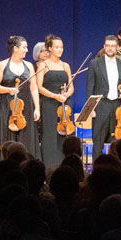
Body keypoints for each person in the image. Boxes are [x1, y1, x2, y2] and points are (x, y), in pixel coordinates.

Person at [0, 35, 39, 152]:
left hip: (25, 106)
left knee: (26, 138)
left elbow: (34, 88)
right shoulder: (2, 65)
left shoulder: (29, 65)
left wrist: (37, 108)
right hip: (7, 106)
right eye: (24, 47)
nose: (27, 50)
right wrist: (8, 90)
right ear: (15, 48)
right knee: (7, 138)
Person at [36, 34, 73, 168]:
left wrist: (66, 95)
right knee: (50, 134)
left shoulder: (65, 65)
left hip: (64, 104)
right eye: (57, 47)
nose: (60, 50)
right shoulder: (43, 65)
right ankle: (50, 166)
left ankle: (64, 165)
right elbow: (39, 87)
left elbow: (71, 86)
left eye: (61, 47)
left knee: (64, 134)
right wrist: (54, 95)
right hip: (49, 103)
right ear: (50, 48)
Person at [87, 35, 121, 156]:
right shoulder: (94, 63)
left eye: (113, 46)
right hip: (101, 105)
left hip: (117, 105)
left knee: (117, 141)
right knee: (98, 140)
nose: (110, 48)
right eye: (108, 46)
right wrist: (90, 108)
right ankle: (97, 166)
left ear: (117, 47)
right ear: (104, 46)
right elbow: (89, 87)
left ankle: (117, 166)